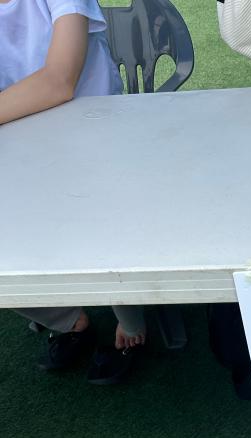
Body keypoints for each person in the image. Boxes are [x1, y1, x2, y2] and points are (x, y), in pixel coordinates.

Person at [0, 0, 146, 383]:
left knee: (105, 220)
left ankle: (131, 319)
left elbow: (59, 80)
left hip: (95, 130)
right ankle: (68, 319)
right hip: (20, 136)